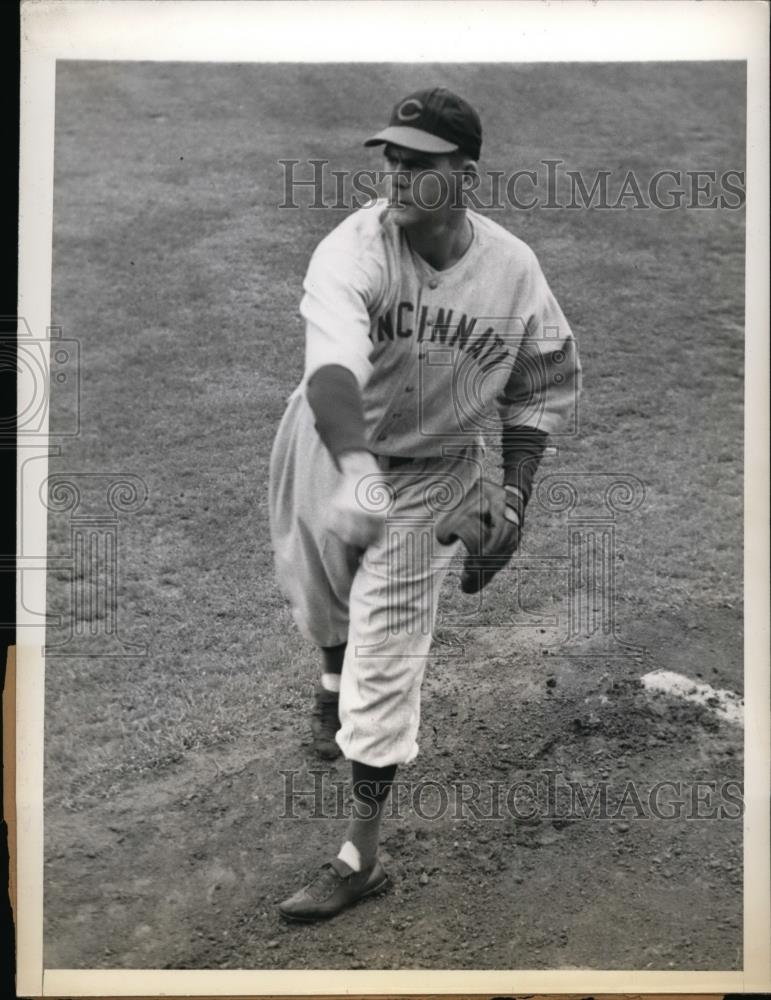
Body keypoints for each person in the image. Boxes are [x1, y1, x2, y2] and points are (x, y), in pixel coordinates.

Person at [269, 87, 581, 921]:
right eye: (392, 161)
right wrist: (355, 472)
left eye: (420, 164)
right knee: (316, 591)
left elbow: (540, 382)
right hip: (329, 444)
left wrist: (514, 495)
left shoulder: (512, 271)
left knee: (386, 659)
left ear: (466, 174)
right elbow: (331, 373)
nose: (398, 178)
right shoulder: (352, 250)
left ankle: (358, 857)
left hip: (435, 474)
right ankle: (328, 672)